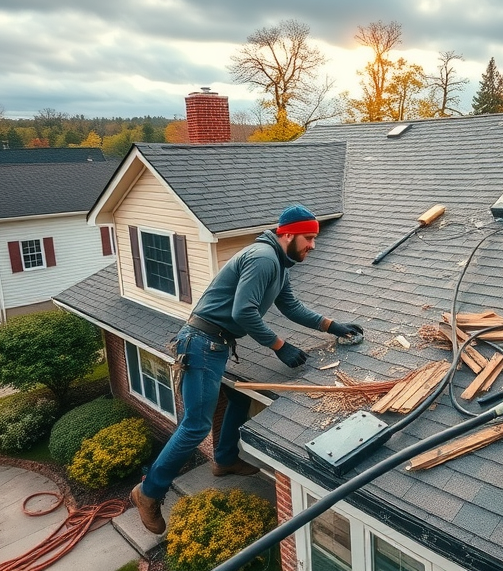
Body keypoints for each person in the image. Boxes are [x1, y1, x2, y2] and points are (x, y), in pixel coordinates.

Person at [131, 204, 363, 534]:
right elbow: (243, 312)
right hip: (201, 344)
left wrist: (333, 325)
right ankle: (148, 492)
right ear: (289, 235)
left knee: (237, 399)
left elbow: (292, 307)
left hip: (217, 344)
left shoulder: (279, 266)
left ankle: (224, 460)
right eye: (309, 238)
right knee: (195, 426)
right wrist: (280, 347)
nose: (314, 245)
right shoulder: (262, 258)